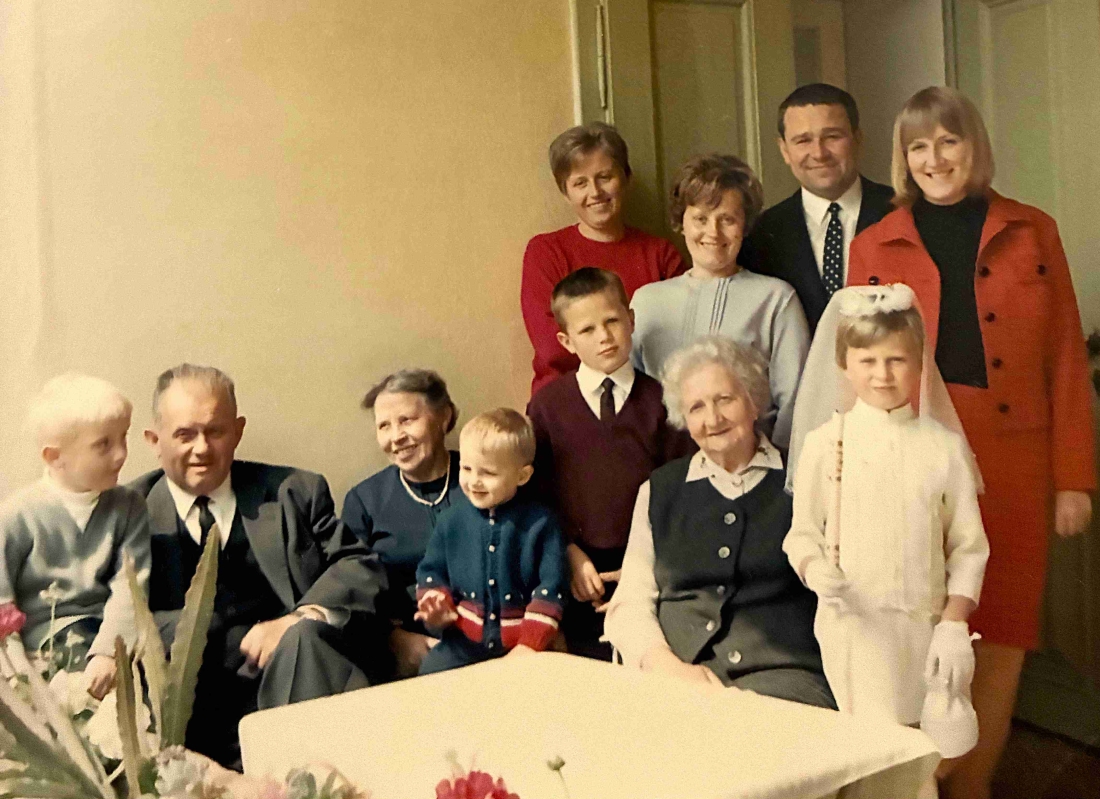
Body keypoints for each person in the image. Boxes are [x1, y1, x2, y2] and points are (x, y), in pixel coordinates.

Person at [847, 86, 1095, 799]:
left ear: (974, 147)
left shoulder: (1033, 230)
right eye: (918, 146)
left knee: (1004, 627)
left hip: (1017, 456)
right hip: (912, 453)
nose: (934, 158)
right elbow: (854, 368)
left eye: (948, 141)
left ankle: (974, 785)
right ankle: (924, 783)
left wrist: (1073, 477)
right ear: (903, 158)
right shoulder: (873, 243)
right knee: (923, 619)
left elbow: (1066, 357)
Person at [133, 364, 388, 769]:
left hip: (293, 690)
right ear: (154, 440)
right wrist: (197, 630)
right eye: (185, 434)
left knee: (304, 638)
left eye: (215, 431)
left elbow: (359, 565)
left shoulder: (294, 492)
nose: (202, 448)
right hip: (189, 720)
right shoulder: (128, 514)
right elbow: (106, 615)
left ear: (237, 431)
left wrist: (298, 619)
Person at [784, 284, 989, 770]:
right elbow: (802, 533)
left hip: (924, 629)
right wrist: (815, 569)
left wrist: (954, 622)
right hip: (856, 627)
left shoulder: (942, 447)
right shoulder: (826, 443)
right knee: (872, 752)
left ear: (919, 364)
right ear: (845, 364)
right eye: (868, 361)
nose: (882, 374)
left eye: (897, 360)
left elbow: (968, 546)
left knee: (922, 755)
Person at [605, 337, 833, 708]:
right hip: (678, 682)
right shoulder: (659, 490)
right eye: (696, 407)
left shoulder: (804, 478)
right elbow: (631, 602)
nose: (713, 419)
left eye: (725, 399)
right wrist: (665, 666)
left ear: (754, 402)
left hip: (787, 682)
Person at [527, 268, 691, 660]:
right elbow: (536, 493)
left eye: (612, 321)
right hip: (576, 569)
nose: (604, 336)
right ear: (567, 341)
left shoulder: (663, 401)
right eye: (587, 330)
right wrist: (567, 552)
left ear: (631, 320)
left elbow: (680, 493)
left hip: (649, 566)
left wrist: (643, 568)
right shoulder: (548, 406)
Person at [630, 154, 809, 449]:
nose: (713, 232)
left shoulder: (776, 299)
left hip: (753, 459)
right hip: (663, 460)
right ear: (681, 223)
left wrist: (775, 465)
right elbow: (631, 398)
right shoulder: (647, 301)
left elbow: (794, 402)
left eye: (727, 219)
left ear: (744, 225)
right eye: (700, 219)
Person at [0, 374, 150, 700]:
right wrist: (18, 675)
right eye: (103, 445)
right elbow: (2, 604)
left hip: (107, 637)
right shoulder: (17, 515)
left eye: (123, 438)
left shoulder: (128, 507)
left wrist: (108, 652)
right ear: (54, 457)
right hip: (40, 647)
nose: (121, 454)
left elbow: (131, 587)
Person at [521, 122, 686, 395]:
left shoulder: (661, 254)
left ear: (626, 178)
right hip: (564, 401)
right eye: (580, 183)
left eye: (605, 177)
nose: (595, 192)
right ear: (565, 192)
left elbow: (679, 341)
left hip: (647, 400)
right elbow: (552, 349)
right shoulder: (546, 252)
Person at [415, 409, 567, 675]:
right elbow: (431, 571)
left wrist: (529, 645)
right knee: (430, 675)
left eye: (488, 473)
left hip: (524, 645)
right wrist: (437, 604)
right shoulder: (451, 520)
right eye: (466, 468)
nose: (474, 481)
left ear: (522, 476)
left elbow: (552, 588)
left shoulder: (541, 524)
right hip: (462, 644)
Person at [741, 83, 894, 333]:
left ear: (857, 139)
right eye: (803, 140)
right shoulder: (760, 235)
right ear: (784, 150)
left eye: (832, 136)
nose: (819, 153)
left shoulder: (903, 212)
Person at [341, 369, 460, 678]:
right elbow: (351, 590)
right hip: (408, 652)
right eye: (384, 426)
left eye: (407, 420)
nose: (396, 437)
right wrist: (393, 639)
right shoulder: (364, 501)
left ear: (444, 417)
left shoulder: (481, 477)